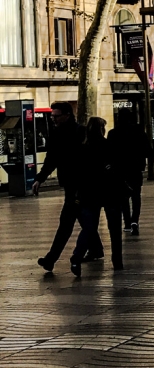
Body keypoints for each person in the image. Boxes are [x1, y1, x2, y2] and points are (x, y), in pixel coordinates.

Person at [34, 101, 104, 273]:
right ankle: (96, 249)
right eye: (52, 115)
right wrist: (40, 179)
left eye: (56, 116)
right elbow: (51, 159)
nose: (53, 118)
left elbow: (88, 159)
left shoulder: (81, 132)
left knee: (66, 224)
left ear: (67, 115)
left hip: (82, 186)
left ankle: (51, 259)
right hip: (70, 186)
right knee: (84, 222)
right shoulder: (56, 133)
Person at [69, 117, 125, 276]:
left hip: (89, 194)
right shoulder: (109, 146)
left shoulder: (82, 149)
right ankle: (117, 261)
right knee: (114, 229)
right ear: (102, 129)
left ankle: (76, 257)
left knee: (89, 228)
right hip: (110, 192)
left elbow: (78, 175)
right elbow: (118, 169)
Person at [108, 110, 153, 235]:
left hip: (119, 170)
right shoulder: (139, 133)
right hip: (135, 169)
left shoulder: (113, 133)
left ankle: (127, 222)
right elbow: (148, 151)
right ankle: (135, 221)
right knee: (136, 196)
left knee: (123, 198)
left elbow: (109, 153)